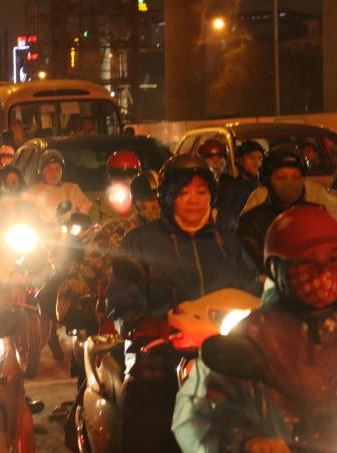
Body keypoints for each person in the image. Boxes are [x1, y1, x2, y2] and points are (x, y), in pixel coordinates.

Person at [173, 204, 337, 453]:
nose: (323, 272)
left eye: (333, 259)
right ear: (276, 270)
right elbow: (210, 411)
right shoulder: (255, 334)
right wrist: (249, 439)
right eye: (307, 262)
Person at [105, 155, 261, 453]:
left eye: (201, 192)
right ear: (168, 197)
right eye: (184, 193)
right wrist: (146, 323)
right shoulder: (141, 241)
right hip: (158, 358)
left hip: (221, 354)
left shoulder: (227, 241)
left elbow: (252, 285)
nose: (194, 200)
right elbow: (120, 299)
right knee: (145, 422)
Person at [57, 170, 161, 383]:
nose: (156, 205)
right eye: (149, 200)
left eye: (159, 198)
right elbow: (86, 269)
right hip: (119, 320)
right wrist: (78, 283)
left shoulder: (184, 237)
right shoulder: (114, 232)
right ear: (138, 202)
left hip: (171, 323)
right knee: (101, 377)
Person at [237, 143, 337, 274]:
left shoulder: (317, 214)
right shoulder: (251, 223)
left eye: (296, 176)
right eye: (281, 177)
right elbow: (253, 265)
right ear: (267, 181)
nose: (289, 183)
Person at [24, 149, 92, 221]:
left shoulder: (72, 189)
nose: (54, 173)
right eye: (48, 169)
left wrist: (80, 219)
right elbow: (24, 213)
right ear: (41, 171)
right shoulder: (32, 192)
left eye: (57, 169)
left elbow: (88, 207)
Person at [215, 140, 264, 231]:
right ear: (239, 160)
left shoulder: (261, 189)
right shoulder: (229, 188)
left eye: (260, 158)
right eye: (252, 158)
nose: (257, 163)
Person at [88, 150, 141, 225]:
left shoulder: (144, 205)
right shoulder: (99, 206)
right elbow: (91, 229)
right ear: (110, 177)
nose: (124, 180)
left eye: (130, 174)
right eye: (117, 175)